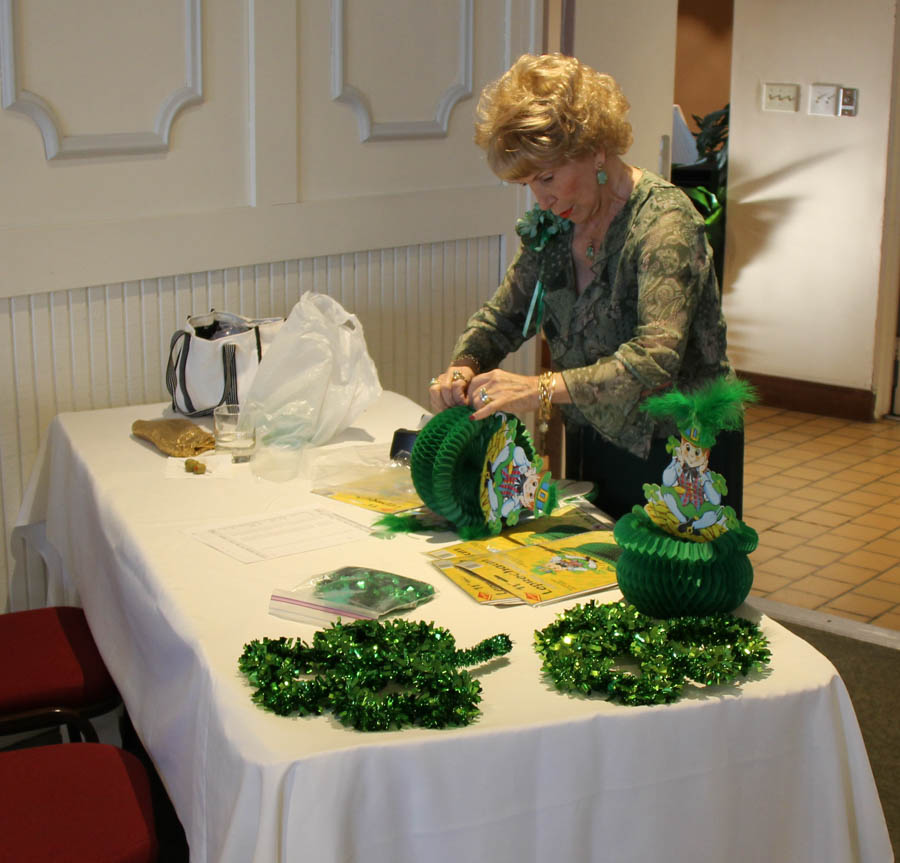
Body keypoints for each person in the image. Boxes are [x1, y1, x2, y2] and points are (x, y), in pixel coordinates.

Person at [428, 53, 741, 520]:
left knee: (671, 586)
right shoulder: (554, 226)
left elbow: (654, 361)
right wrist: (463, 367)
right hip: (594, 438)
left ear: (595, 149)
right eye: (529, 184)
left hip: (681, 449)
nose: (543, 198)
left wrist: (540, 388)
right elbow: (505, 317)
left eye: (548, 177)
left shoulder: (664, 224)